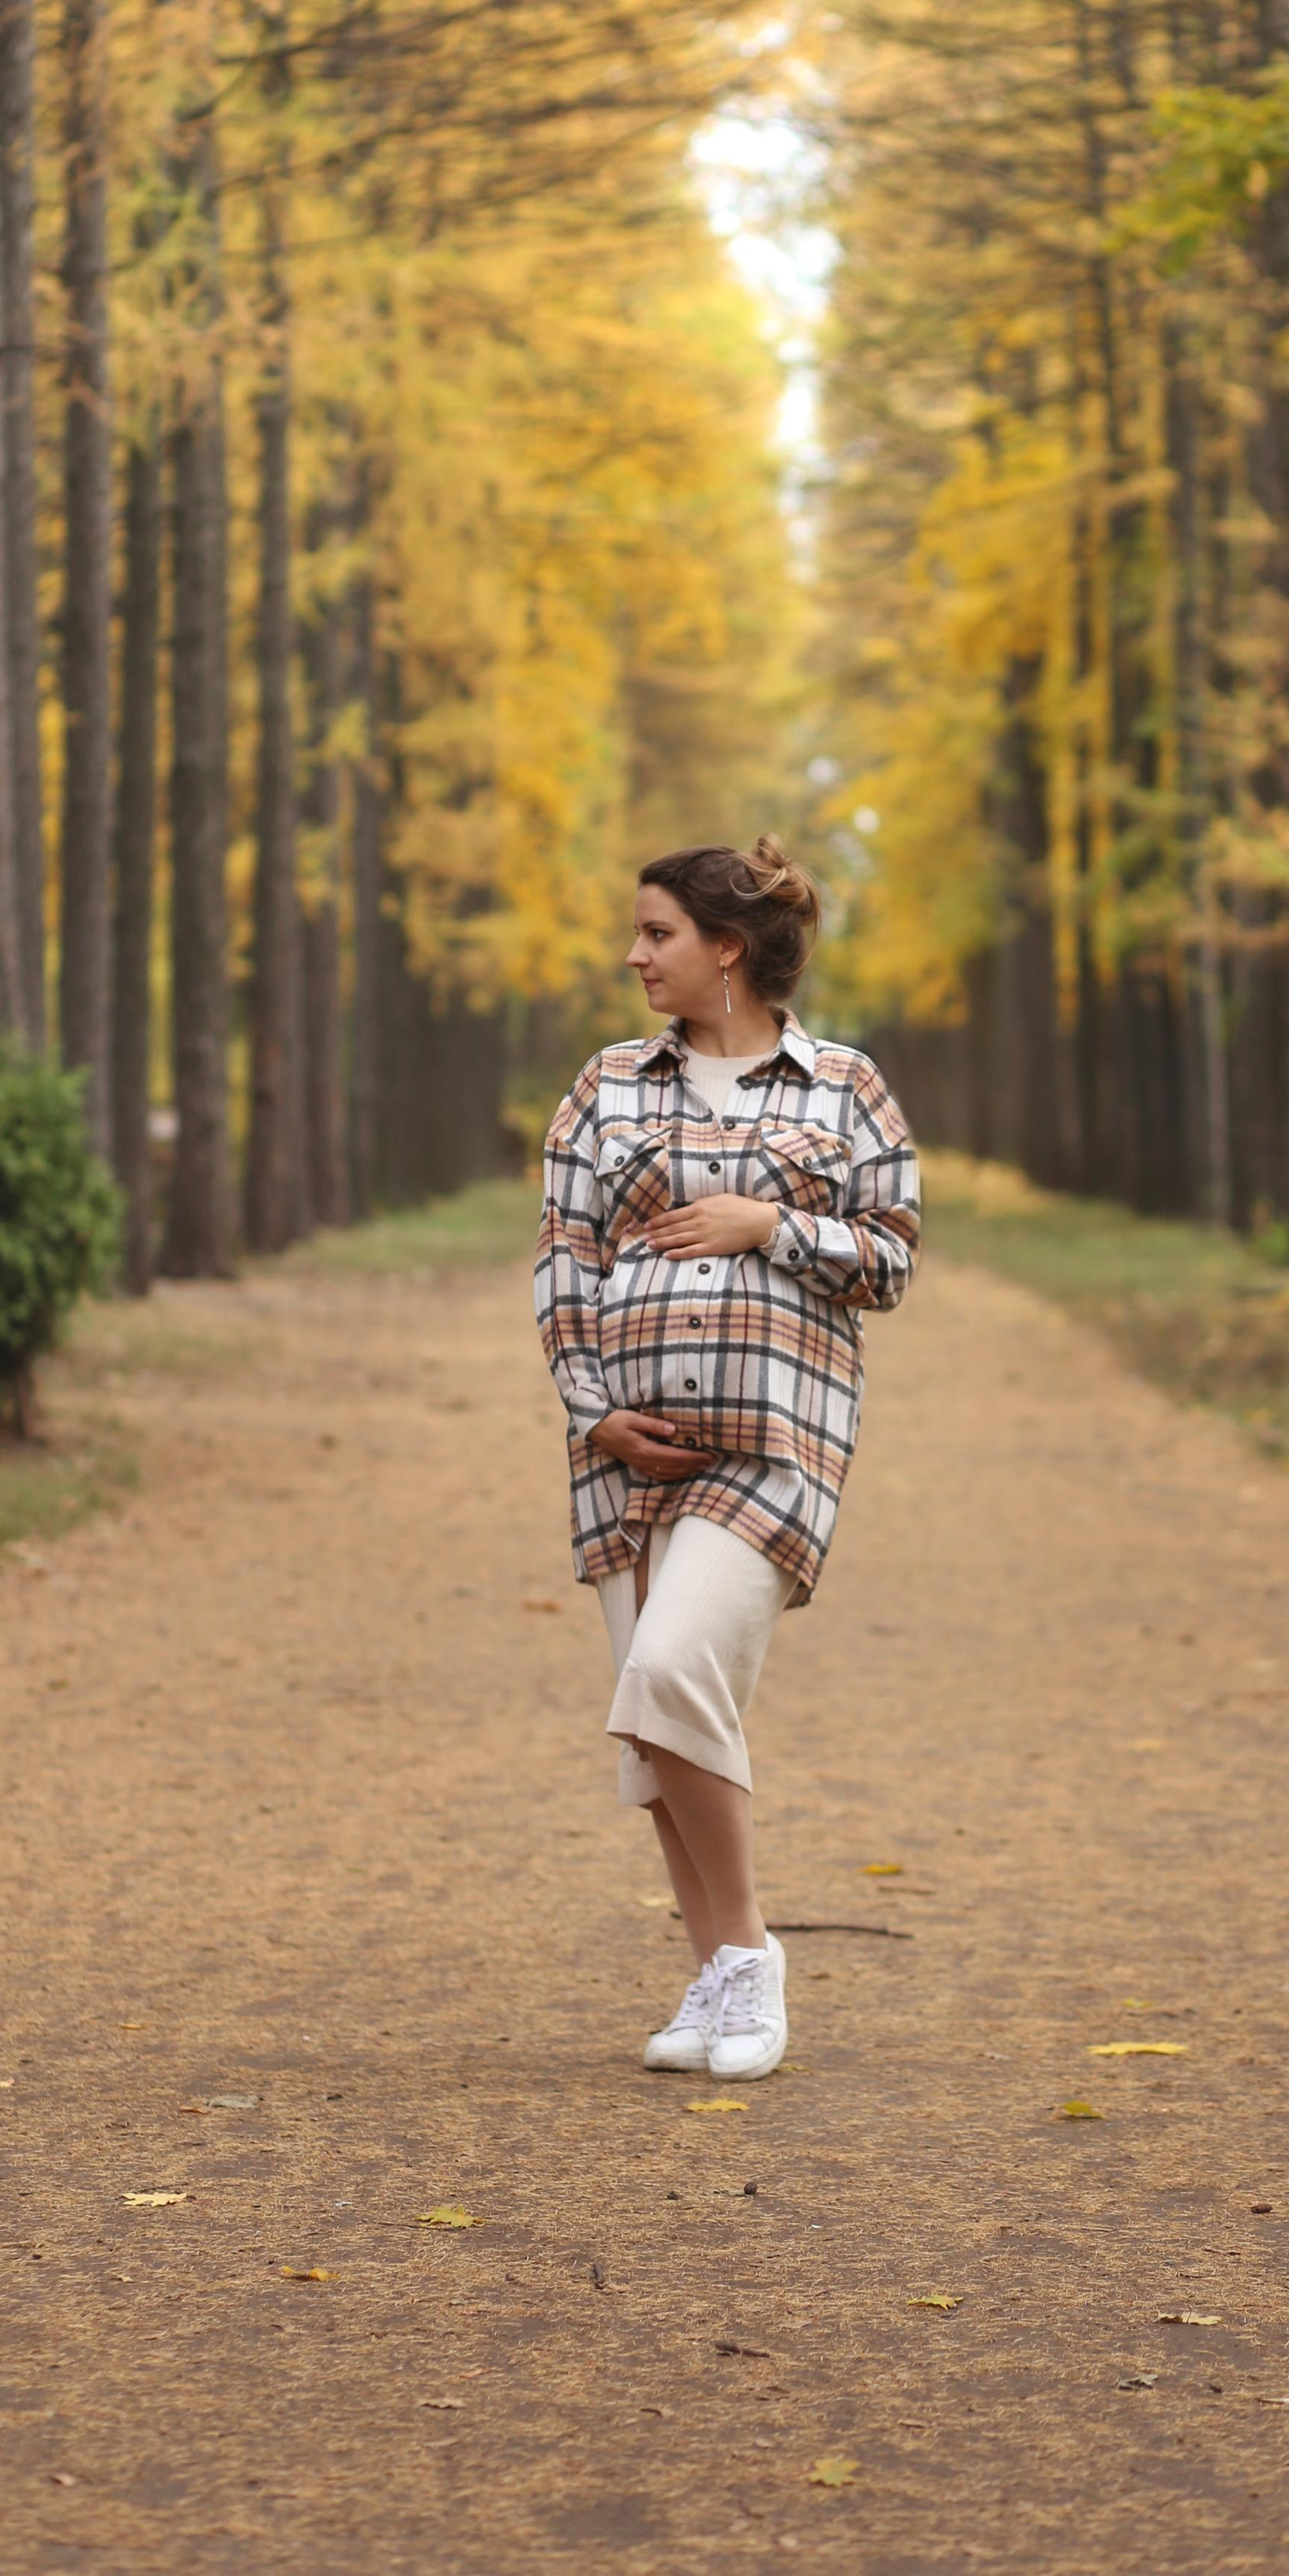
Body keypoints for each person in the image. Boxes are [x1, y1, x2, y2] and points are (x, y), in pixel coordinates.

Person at [534, 835, 920, 2080]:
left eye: (656, 933)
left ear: (727, 949)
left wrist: (774, 1224)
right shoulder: (603, 1088)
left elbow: (895, 1259)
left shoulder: (845, 1088)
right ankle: (714, 1980)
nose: (633, 954)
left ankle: (750, 1956)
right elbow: (564, 1265)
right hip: (626, 1455)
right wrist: (594, 1414)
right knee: (657, 1726)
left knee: (671, 1659)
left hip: (774, 1443)